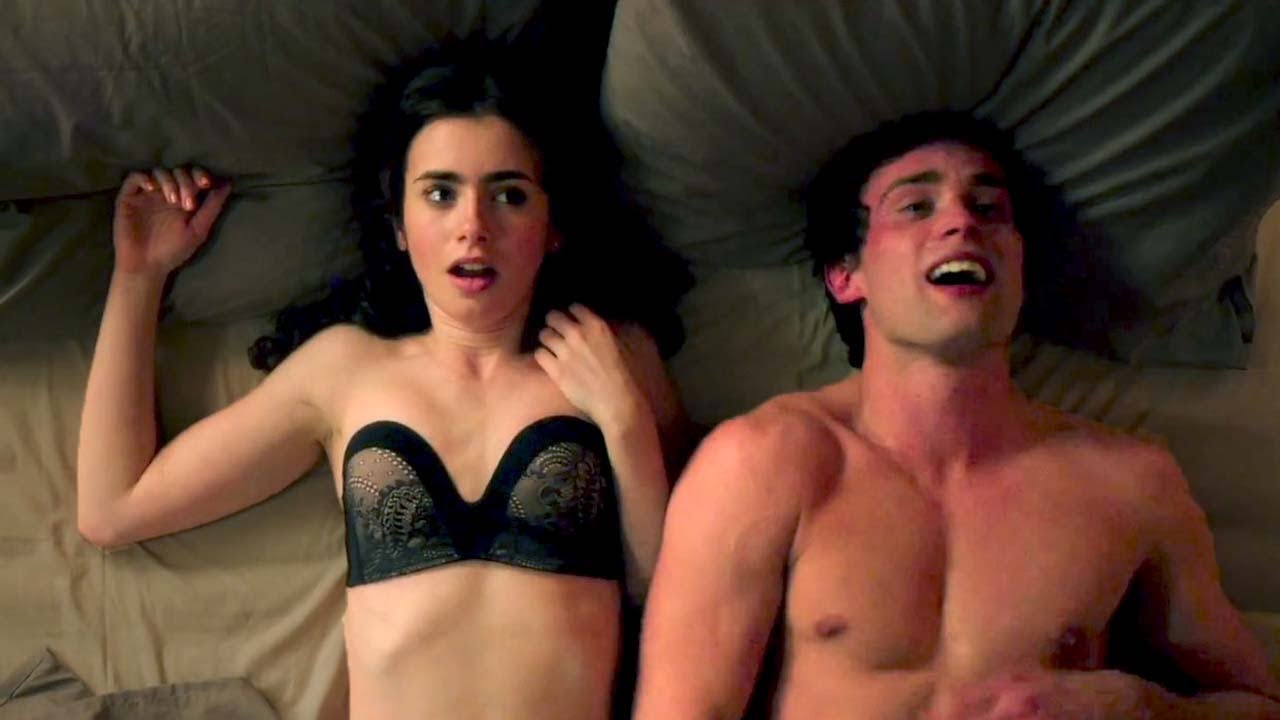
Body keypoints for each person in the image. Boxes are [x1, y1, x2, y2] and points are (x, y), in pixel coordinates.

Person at [76, 49, 690, 720]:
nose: (473, 227)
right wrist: (139, 277)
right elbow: (113, 508)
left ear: (553, 228)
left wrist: (625, 422)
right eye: (441, 193)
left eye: (509, 195)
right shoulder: (345, 369)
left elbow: (672, 603)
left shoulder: (611, 359)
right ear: (398, 224)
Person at [632, 112, 1280, 719]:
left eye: (989, 208)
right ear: (845, 275)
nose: (962, 223)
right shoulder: (764, 461)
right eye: (916, 206)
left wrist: (1140, 705)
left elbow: (1258, 703)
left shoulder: (1131, 482)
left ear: (1020, 264)